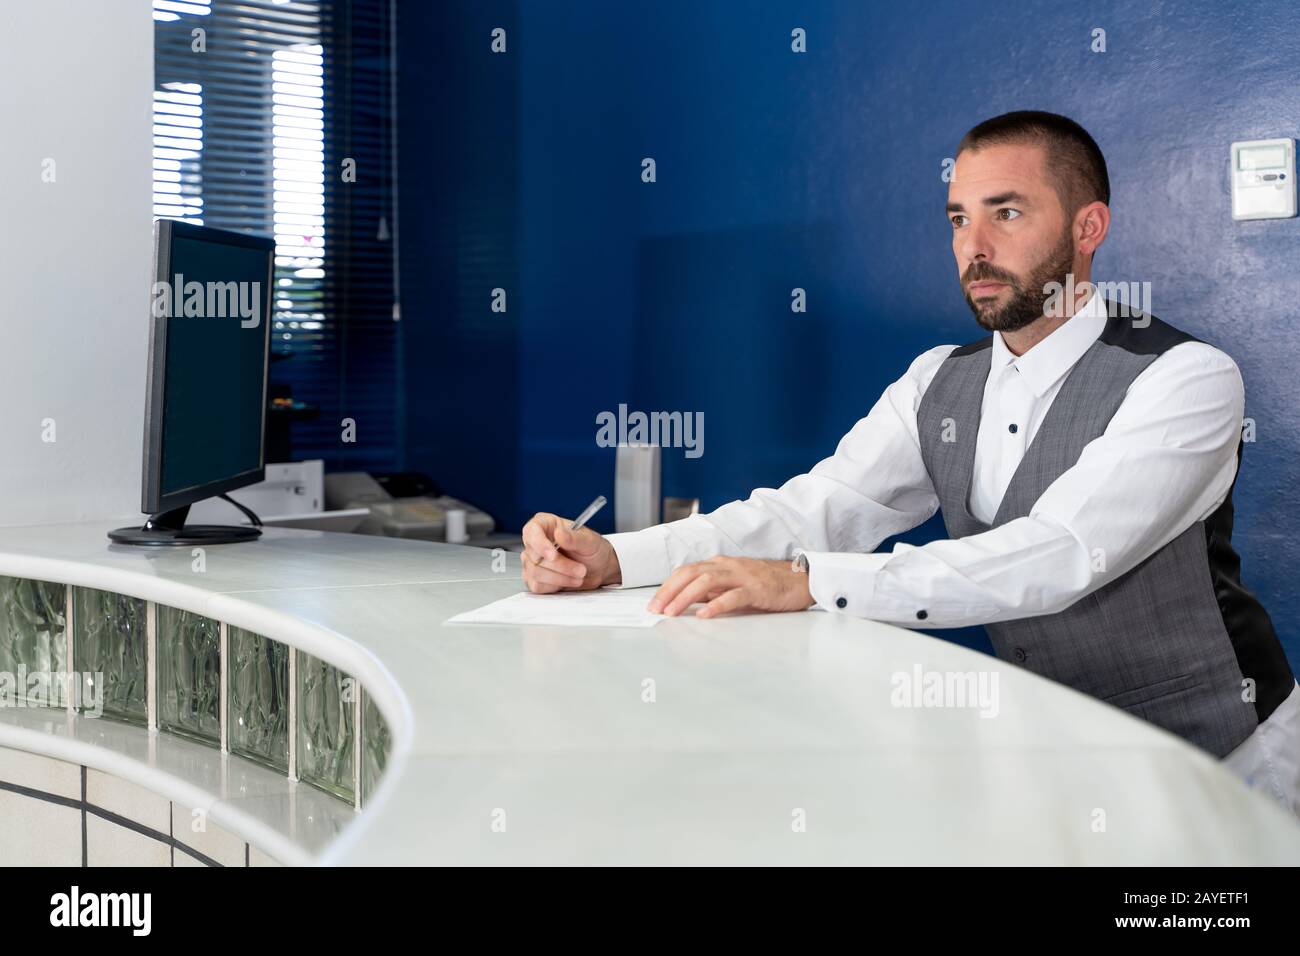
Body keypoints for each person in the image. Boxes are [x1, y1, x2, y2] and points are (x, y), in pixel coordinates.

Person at [521, 111, 1300, 818]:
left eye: (1008, 212)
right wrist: (617, 558)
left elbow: (1063, 552)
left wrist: (813, 582)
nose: (975, 247)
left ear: (1088, 226)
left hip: (1232, 756)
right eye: (959, 218)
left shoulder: (1188, 376)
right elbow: (818, 506)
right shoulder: (939, 378)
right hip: (1069, 757)